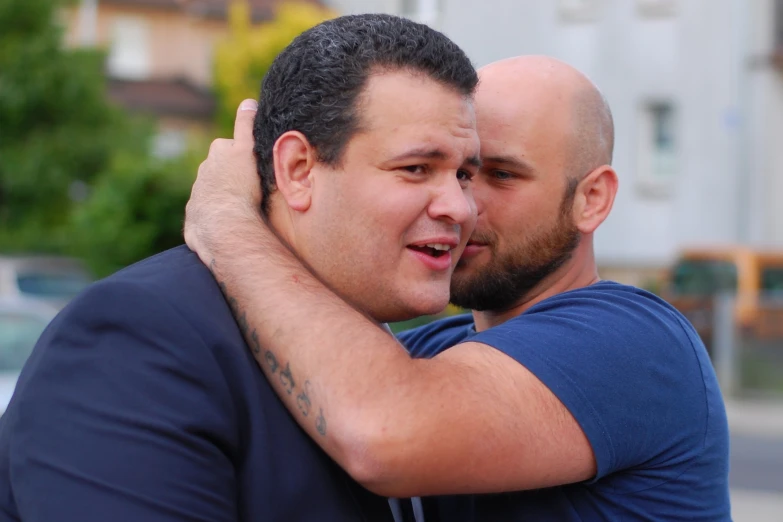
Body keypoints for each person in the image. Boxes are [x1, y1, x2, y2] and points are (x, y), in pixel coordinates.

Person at [184, 55, 732, 521]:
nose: (462, 205)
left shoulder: (635, 343)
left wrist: (228, 220)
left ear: (592, 199)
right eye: (458, 172)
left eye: (503, 176)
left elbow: (382, 431)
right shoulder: (427, 353)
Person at [0, 14, 481, 522]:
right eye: (415, 169)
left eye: (465, 173)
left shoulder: (409, 354)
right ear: (297, 171)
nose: (459, 206)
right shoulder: (138, 337)